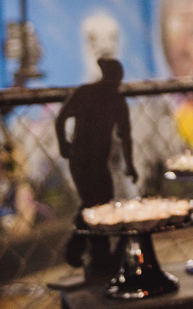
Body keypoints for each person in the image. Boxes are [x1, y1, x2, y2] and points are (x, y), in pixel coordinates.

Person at [56, 57, 136, 275]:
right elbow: (62, 117)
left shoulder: (104, 97)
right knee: (94, 204)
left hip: (95, 159)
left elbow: (126, 136)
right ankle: (84, 250)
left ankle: (86, 250)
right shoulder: (96, 95)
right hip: (82, 158)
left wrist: (130, 165)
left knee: (98, 203)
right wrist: (64, 144)